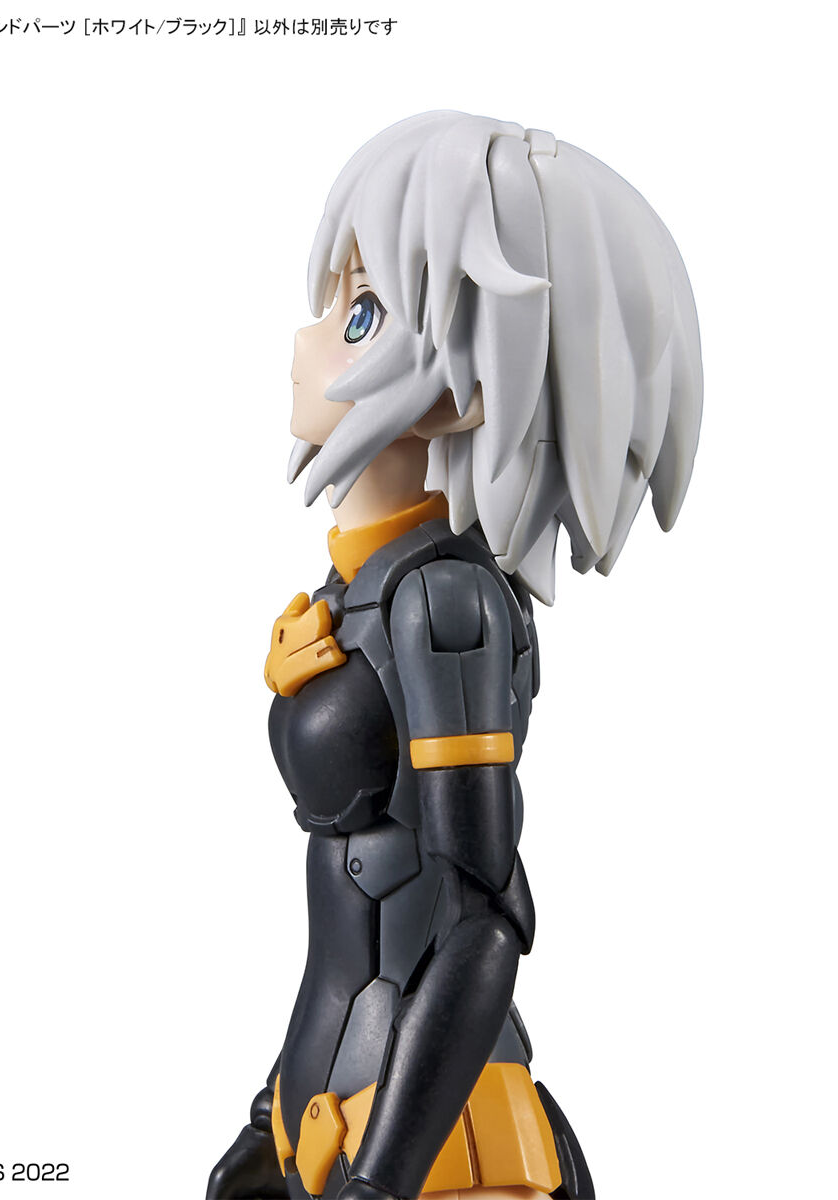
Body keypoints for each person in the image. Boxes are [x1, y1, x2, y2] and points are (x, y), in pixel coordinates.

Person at [208, 110, 702, 1200]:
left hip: (434, 1139)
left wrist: (382, 1181)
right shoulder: (359, 588)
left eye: (364, 313)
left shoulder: (446, 607)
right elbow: (353, 915)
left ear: (475, 381)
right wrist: (272, 1111)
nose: (309, 341)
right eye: (338, 305)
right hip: (331, 1099)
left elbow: (480, 921)